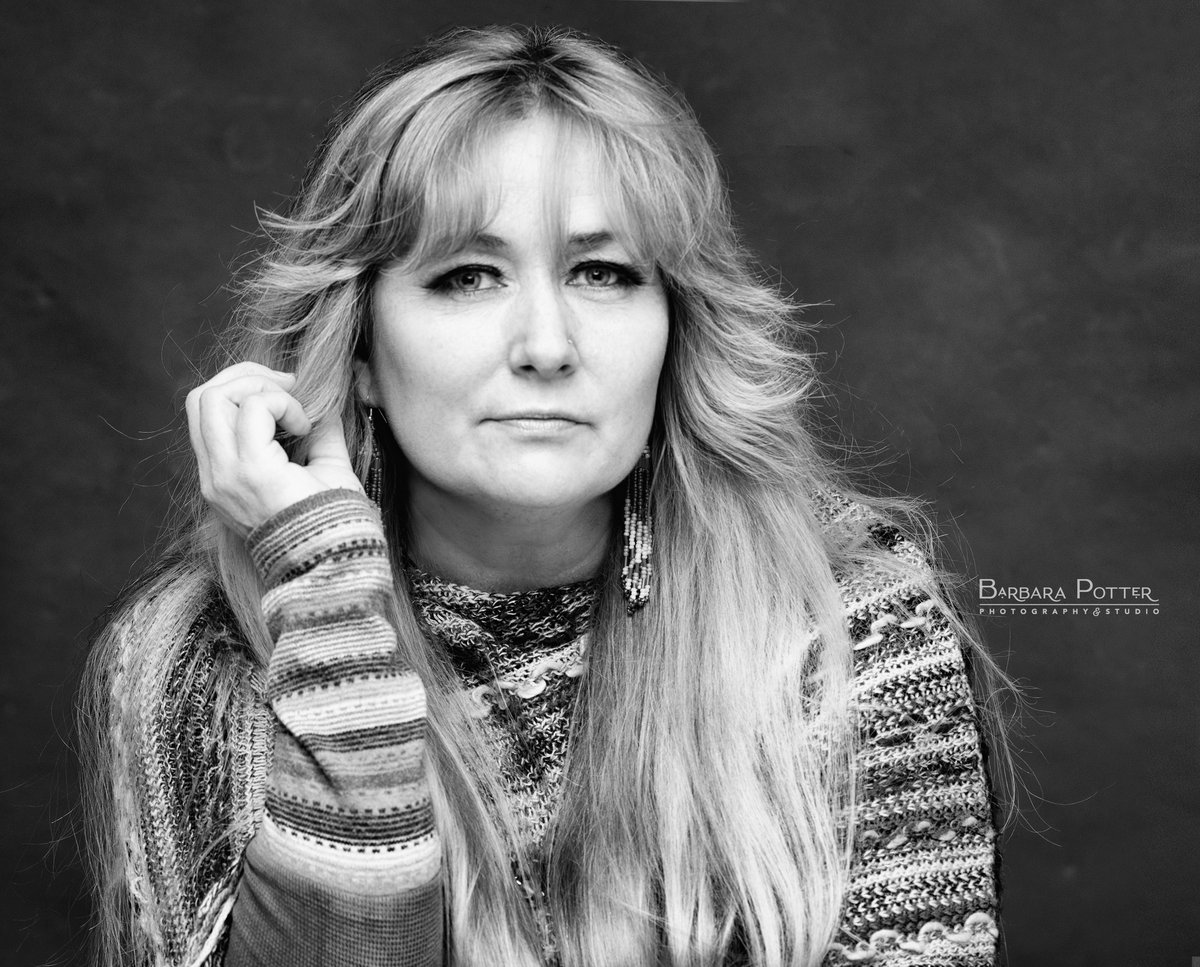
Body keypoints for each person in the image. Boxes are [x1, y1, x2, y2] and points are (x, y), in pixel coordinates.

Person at [80, 23, 1011, 967]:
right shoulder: (204, 660)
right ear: (360, 350)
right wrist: (330, 606)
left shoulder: (845, 627)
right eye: (467, 277)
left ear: (675, 328)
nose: (547, 346)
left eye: (602, 273)